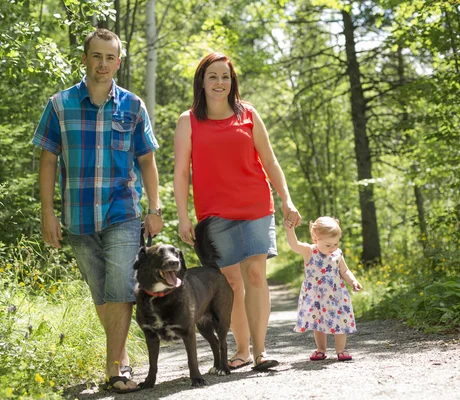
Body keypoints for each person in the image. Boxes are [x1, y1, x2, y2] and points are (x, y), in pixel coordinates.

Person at [32, 28, 163, 393]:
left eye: (110, 57)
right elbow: (47, 160)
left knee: (121, 289)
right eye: (97, 56)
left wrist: (154, 207)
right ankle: (119, 358)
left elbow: (147, 161)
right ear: (85, 59)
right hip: (78, 217)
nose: (103, 63)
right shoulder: (60, 104)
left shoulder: (133, 106)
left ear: (118, 62)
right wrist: (48, 212)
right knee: (101, 294)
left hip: (123, 212)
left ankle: (114, 371)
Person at [173, 52, 302, 371]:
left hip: (256, 205)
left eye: (225, 77)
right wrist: (184, 215)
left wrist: (286, 198)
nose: (219, 82)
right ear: (201, 81)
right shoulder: (188, 121)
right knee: (231, 284)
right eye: (213, 76)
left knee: (256, 274)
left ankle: (260, 352)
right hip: (214, 215)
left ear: (233, 82)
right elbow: (181, 173)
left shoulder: (248, 115)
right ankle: (241, 350)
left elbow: (270, 161)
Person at [285, 216, 362, 361]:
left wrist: (353, 281)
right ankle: (321, 349)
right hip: (317, 297)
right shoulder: (310, 251)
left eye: (335, 244)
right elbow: (294, 244)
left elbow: (344, 271)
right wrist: (290, 230)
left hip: (336, 295)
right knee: (318, 323)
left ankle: (341, 350)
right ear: (315, 239)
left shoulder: (337, 253)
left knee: (341, 321)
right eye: (328, 245)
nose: (332, 248)